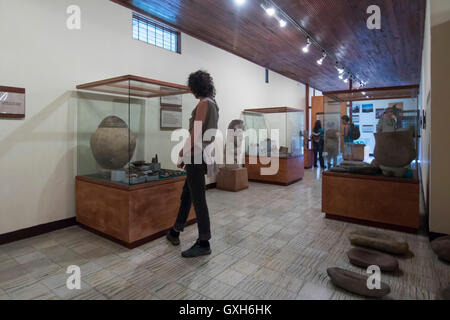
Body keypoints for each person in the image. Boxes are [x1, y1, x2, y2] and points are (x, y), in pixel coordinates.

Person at [166, 70, 219, 258]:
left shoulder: (204, 104)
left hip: (196, 155)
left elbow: (195, 133)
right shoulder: (213, 102)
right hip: (201, 154)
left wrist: (181, 153)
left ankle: (204, 242)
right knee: (188, 194)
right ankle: (175, 231)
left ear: (195, 87)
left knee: (198, 200)